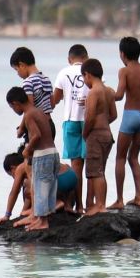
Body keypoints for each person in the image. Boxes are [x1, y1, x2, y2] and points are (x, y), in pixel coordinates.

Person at [110, 36, 140, 210]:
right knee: (134, 157)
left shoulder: (124, 71)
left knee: (120, 158)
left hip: (130, 116)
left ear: (122, 54)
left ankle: (119, 199)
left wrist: (104, 92)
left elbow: (119, 95)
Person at [7, 87, 60, 231]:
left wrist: (27, 150)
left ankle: (42, 222)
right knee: (49, 186)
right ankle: (40, 217)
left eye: (12, 107)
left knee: (40, 187)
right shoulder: (38, 111)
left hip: (42, 155)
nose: (14, 110)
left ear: (16, 103)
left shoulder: (29, 114)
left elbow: (36, 135)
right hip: (53, 152)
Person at [53, 44, 89, 213]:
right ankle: (89, 204)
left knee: (76, 167)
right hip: (90, 122)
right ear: (86, 57)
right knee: (92, 167)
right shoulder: (92, 70)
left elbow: (55, 99)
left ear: (69, 59)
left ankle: (78, 205)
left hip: (71, 122)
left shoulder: (63, 72)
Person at [81, 58, 117, 216]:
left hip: (95, 135)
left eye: (83, 77)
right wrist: (103, 124)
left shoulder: (93, 92)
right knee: (100, 171)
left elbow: (89, 118)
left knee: (96, 172)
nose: (84, 81)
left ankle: (100, 205)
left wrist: (85, 133)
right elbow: (114, 115)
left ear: (87, 75)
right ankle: (100, 203)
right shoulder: (108, 90)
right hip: (107, 135)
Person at [10, 46, 56, 138]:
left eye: (16, 69)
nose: (17, 73)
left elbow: (28, 109)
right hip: (49, 125)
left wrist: (21, 129)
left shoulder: (28, 82)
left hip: (37, 126)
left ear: (21, 65)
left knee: (30, 152)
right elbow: (52, 104)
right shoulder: (46, 79)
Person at [0, 152, 31, 226]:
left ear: (13, 168)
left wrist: (7, 215)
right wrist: (22, 214)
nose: (14, 178)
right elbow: (28, 197)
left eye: (11, 175)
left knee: (27, 185)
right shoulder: (29, 164)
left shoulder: (21, 168)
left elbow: (14, 192)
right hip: (57, 189)